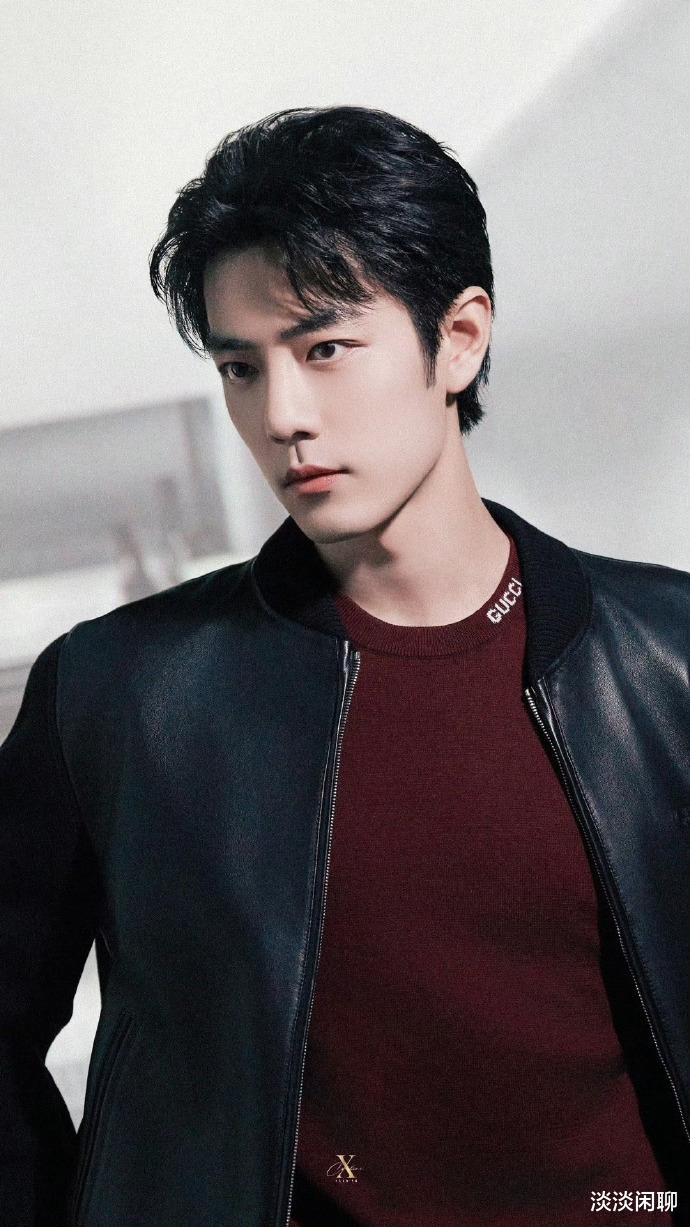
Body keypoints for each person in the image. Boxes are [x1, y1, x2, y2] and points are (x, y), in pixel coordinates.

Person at [1, 105, 688, 1227]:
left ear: (458, 339)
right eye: (241, 367)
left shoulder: (669, 661)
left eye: (324, 349)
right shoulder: (121, 695)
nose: (282, 415)